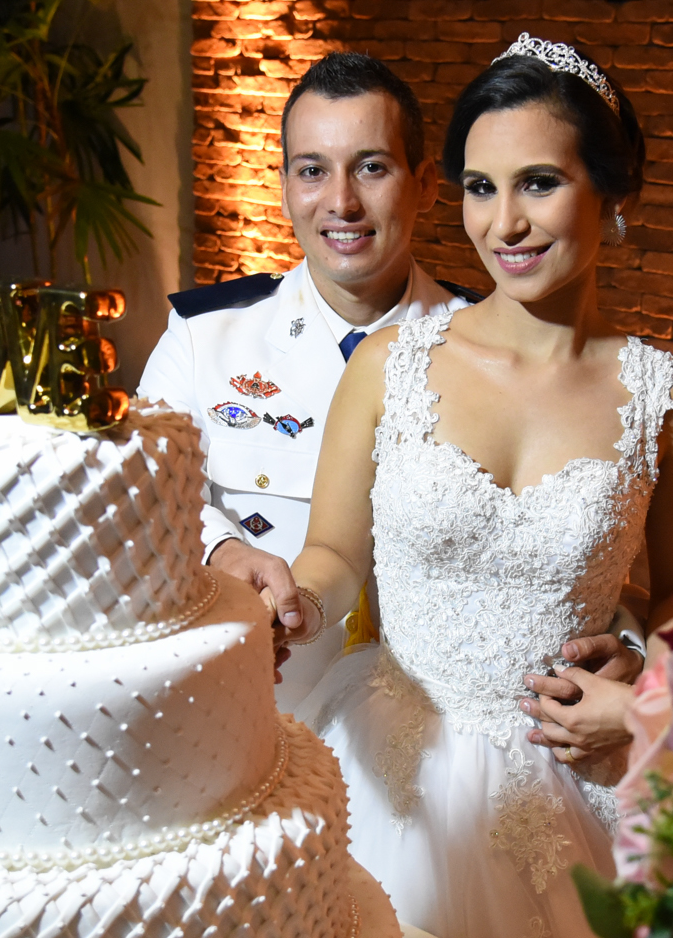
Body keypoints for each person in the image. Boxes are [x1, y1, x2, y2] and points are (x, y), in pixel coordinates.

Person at [286, 36, 673, 938]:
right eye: (480, 188)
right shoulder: (390, 365)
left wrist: (640, 691)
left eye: (538, 184)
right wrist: (294, 605)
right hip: (391, 765)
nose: (504, 223)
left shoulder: (665, 395)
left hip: (571, 778)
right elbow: (333, 554)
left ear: (613, 191)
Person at [138, 52, 476, 709]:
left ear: (425, 184)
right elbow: (142, 488)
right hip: (258, 708)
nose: (341, 202)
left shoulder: (488, 345)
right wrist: (220, 549)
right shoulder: (206, 335)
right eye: (313, 170)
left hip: (440, 728)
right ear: (286, 186)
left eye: (371, 167)